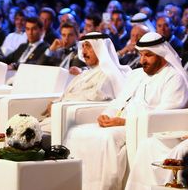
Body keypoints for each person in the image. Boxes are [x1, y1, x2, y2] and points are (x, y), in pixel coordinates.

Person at [65, 32, 188, 190]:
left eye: (148, 55)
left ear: (162, 55)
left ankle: (103, 187)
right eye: (141, 55)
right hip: (120, 123)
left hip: (139, 127)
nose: (142, 60)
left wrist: (125, 122)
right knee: (78, 132)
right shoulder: (137, 74)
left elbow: (164, 116)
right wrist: (106, 115)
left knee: (106, 138)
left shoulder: (173, 77)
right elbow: (119, 101)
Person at [39, 32, 131, 132]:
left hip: (74, 119)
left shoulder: (108, 74)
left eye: (88, 46)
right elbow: (68, 93)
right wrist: (56, 102)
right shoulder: (85, 73)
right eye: (82, 47)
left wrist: (58, 106)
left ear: (100, 48)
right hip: (61, 115)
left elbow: (93, 97)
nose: (83, 52)